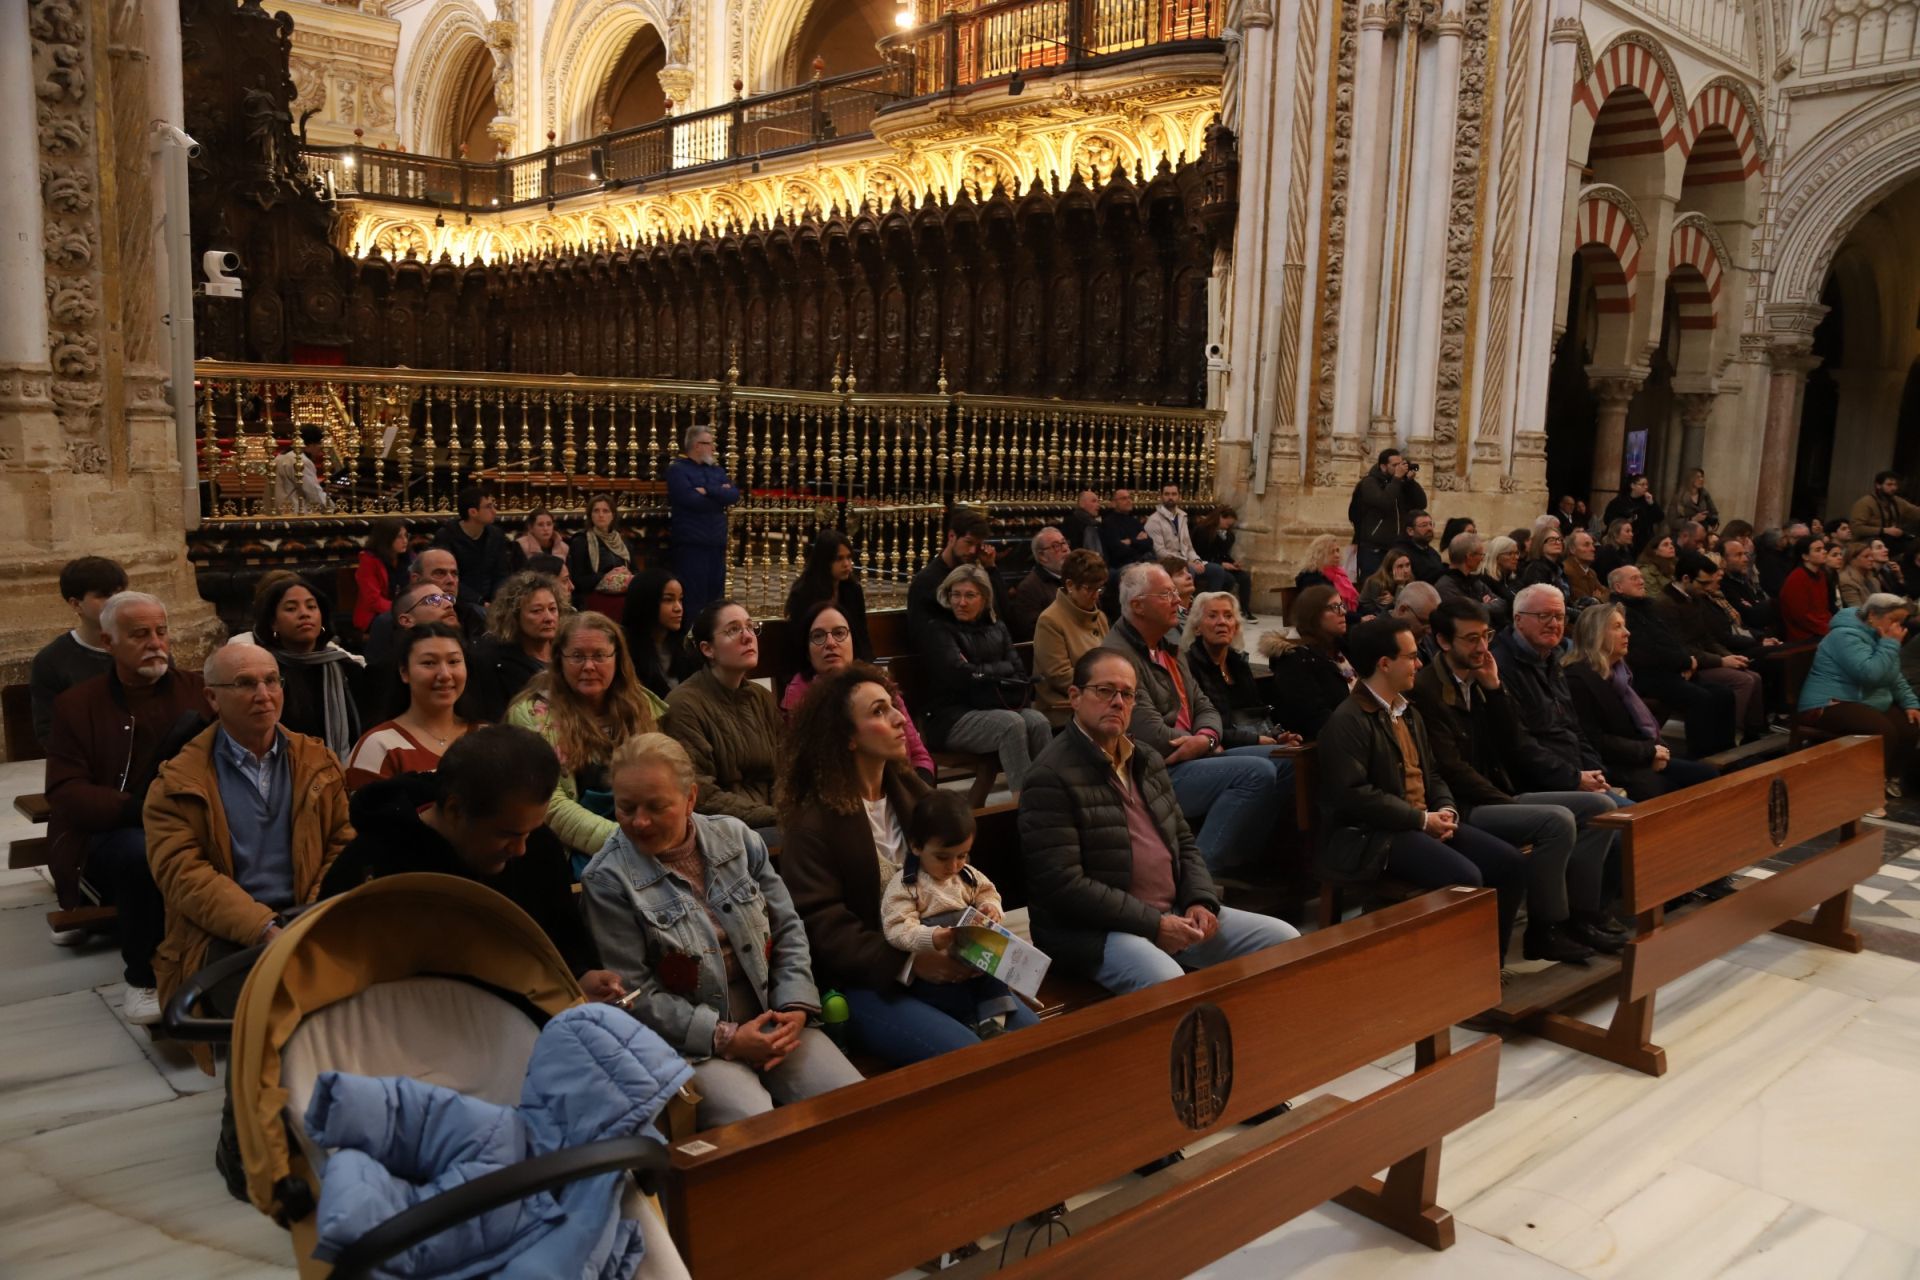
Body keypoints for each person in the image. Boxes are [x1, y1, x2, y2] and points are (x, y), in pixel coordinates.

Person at [144, 643, 352, 1191]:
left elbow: (342, 844)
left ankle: (338, 1127)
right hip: (222, 935)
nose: (263, 694)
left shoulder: (316, 760)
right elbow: (184, 876)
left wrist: (312, 914)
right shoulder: (177, 781)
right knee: (265, 1011)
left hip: (309, 917)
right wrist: (263, 927)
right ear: (212, 698)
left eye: (271, 680)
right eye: (245, 684)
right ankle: (241, 1144)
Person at [583, 733, 863, 1125]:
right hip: (690, 1044)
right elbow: (636, 994)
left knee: (854, 1103)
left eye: (656, 807)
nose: (639, 821)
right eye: (625, 808)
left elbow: (787, 928)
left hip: (772, 1015)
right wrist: (726, 1037)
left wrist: (794, 1006)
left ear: (690, 799)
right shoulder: (608, 879)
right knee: (754, 1124)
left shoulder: (737, 838)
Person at [779, 664, 1040, 1065]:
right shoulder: (813, 822)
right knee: (970, 1059)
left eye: (893, 706)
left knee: (1035, 1040)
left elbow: (957, 876)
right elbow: (824, 929)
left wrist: (980, 933)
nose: (900, 718)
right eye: (879, 711)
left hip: (944, 962)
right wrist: (911, 962)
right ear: (847, 737)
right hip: (869, 983)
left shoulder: (913, 794)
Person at [1019, 648, 1300, 995]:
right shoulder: (1050, 776)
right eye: (1105, 691)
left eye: (1127, 694)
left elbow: (1183, 842)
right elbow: (1064, 885)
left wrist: (1200, 900)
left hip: (1173, 911)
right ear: (1075, 697)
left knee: (1285, 941)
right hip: (1095, 931)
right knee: (1168, 981)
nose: (1117, 702)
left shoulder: (1146, 759)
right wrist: (1155, 925)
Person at [321, 726, 620, 997]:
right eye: (507, 835)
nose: (520, 849)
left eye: (530, 832)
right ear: (455, 810)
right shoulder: (374, 868)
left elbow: (564, 941)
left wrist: (582, 977)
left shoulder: (538, 846)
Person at [1410, 601, 1624, 960]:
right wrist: (1505, 800)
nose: (1482, 647)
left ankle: (1583, 916)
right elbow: (1450, 768)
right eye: (1471, 639)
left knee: (1602, 806)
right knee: (1556, 821)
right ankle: (1545, 930)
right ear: (1443, 642)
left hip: (1497, 791)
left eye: (1486, 636)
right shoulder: (1427, 690)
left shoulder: (1481, 678)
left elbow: (1514, 742)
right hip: (1466, 803)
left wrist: (1495, 689)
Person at [1316, 617, 1527, 956]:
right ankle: (1457, 974)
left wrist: (1446, 808)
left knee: (1510, 863)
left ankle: (1489, 967)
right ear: (1385, 664)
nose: (1418, 664)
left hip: (1419, 822)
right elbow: (1354, 795)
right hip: (1374, 836)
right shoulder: (1348, 720)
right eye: (1412, 657)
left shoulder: (1408, 712)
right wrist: (1420, 820)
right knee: (1466, 878)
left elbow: (1432, 774)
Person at [43, 593, 205, 1005]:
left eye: (161, 632)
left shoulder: (198, 691)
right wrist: (134, 809)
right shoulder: (77, 705)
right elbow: (65, 789)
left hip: (190, 814)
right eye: (139, 635)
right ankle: (143, 979)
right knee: (143, 853)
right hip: (113, 826)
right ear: (108, 642)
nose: (155, 643)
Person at [1102, 563, 1290, 873]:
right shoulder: (1118, 658)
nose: (1178, 600)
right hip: (1154, 772)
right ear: (1138, 605)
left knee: (1288, 760)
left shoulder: (1168, 648)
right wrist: (1205, 743)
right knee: (1256, 773)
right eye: (1167, 594)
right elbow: (1152, 734)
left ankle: (1245, 863)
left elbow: (1205, 706)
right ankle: (1196, 875)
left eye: (1175, 593)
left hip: (1194, 754)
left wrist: (1207, 739)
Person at [506, 611, 665, 871]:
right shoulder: (532, 715)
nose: (589, 666)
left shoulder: (641, 705)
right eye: (577, 656)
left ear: (617, 658)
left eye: (600, 656)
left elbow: (665, 781)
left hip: (644, 835)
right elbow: (549, 804)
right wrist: (626, 842)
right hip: (574, 852)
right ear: (559, 659)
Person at [880, 791, 1022, 1037]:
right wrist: (932, 937)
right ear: (916, 846)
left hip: (974, 951)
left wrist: (990, 909)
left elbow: (988, 893)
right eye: (942, 857)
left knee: (994, 979)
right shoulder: (906, 885)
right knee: (945, 993)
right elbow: (896, 928)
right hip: (938, 957)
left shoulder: (967, 875)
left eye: (962, 856)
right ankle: (968, 1024)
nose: (954, 866)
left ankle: (993, 1023)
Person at [1563, 603, 1719, 800]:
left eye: (1624, 626)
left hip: (1637, 756)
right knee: (1688, 788)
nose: (1627, 633)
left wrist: (1652, 752)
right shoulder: (1578, 679)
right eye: (1617, 627)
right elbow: (1594, 739)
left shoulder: (1620, 673)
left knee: (1708, 776)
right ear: (1596, 634)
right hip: (1612, 765)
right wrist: (1649, 753)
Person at [920, 564, 1052, 796]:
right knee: (1011, 724)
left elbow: (1019, 674)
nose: (961, 602)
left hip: (994, 705)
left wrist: (982, 673)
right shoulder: (939, 630)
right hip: (950, 717)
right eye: (956, 595)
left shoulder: (997, 627)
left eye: (970, 595)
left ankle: (1051, 795)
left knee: (1038, 721)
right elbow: (958, 676)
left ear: (984, 598)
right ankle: (1024, 802)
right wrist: (1000, 670)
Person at [781, 600, 936, 782]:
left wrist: (920, 790)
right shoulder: (800, 697)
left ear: (853, 641)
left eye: (839, 633)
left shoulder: (879, 684)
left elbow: (919, 756)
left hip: (903, 786)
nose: (830, 643)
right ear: (807, 650)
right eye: (818, 636)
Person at [662, 601, 783, 831]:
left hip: (776, 822)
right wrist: (775, 817)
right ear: (708, 649)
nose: (748, 637)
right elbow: (702, 794)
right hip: (720, 829)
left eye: (750, 627)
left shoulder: (761, 697)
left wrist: (788, 813)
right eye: (733, 630)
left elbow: (786, 770)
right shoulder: (683, 705)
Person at [1491, 584, 1617, 797]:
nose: (1553, 624)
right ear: (1518, 620)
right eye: (1543, 616)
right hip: (1540, 786)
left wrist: (1596, 771)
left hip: (1576, 776)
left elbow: (1574, 728)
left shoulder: (1553, 659)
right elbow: (1520, 745)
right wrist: (1575, 779)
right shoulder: (1501, 667)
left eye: (1559, 617)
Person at [1798, 593, 1920, 811]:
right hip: (1829, 702)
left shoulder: (1879, 634)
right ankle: (1864, 794)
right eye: (1893, 620)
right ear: (1872, 615)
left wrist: (1910, 703)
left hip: (1864, 699)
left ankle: (1887, 777)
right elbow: (1869, 674)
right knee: (1882, 731)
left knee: (1909, 725)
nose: (1897, 627)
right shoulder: (1844, 636)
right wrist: (1890, 645)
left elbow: (1894, 675)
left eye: (1901, 622)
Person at [1610, 563, 1737, 757]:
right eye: (1634, 578)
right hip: (1648, 675)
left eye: (1641, 577)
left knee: (1724, 694)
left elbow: (1671, 639)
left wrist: (1687, 660)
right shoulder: (1621, 613)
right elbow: (1645, 652)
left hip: (1671, 669)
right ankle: (1703, 756)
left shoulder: (1648, 606)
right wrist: (1684, 662)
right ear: (1619, 587)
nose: (1641, 581)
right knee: (1700, 699)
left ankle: (1726, 752)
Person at [343, 623, 477, 790]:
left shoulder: (487, 736)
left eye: (453, 661)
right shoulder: (379, 747)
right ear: (404, 672)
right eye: (429, 663)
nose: (445, 674)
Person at [250, 575, 366, 760]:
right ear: (273, 623)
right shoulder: (263, 673)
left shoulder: (348, 669)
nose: (304, 614)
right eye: (291, 608)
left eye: (311, 607)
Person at [1657, 553, 1766, 743]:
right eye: (1703, 583)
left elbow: (1707, 637)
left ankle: (1753, 734)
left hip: (1702, 657)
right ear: (1686, 578)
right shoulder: (1666, 604)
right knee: (1744, 680)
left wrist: (1729, 656)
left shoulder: (1694, 597)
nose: (1708, 588)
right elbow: (1680, 647)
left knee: (1754, 676)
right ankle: (1731, 736)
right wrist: (1722, 661)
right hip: (1686, 664)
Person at [29, 555, 126, 748]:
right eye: (103, 595)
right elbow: (49, 731)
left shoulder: (148, 645)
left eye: (119, 593)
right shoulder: (51, 661)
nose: (116, 602)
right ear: (75, 604)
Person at [1183, 592, 1292, 748]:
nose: (1222, 622)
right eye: (1212, 616)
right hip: (1217, 746)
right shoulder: (1189, 666)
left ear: (1235, 626)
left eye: (1228, 616)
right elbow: (1200, 727)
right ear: (1197, 628)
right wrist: (1255, 740)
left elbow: (1255, 714)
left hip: (1250, 740)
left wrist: (1277, 736)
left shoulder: (1238, 663)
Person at [1259, 584, 1354, 740]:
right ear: (1313, 615)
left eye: (1342, 605)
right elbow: (1314, 717)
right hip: (1329, 740)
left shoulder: (1342, 648)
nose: (1343, 612)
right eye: (1334, 607)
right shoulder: (1294, 659)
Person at [666, 425, 742, 616]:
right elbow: (690, 499)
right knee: (693, 599)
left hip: (716, 541)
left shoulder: (716, 470)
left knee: (716, 599)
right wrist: (719, 494)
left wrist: (707, 490)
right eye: (709, 444)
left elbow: (733, 495)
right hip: (692, 543)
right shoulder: (678, 470)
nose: (714, 449)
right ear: (697, 446)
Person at [467, 571, 561, 722]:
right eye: (537, 611)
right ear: (514, 617)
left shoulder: (567, 653)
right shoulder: (496, 663)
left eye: (552, 609)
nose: (549, 618)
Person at [1033, 548, 1111, 728]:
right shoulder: (1050, 620)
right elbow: (1059, 676)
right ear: (1070, 585)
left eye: (1099, 588)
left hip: (1098, 699)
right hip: (1065, 707)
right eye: (1089, 589)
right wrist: (1104, 685)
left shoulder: (1100, 617)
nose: (1096, 595)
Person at [907, 507, 997, 645]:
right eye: (968, 542)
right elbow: (920, 633)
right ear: (951, 536)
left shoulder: (976, 574)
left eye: (978, 545)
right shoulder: (926, 581)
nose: (973, 551)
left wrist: (991, 568)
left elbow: (1000, 617)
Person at [782, 529, 873, 661]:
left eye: (849, 557)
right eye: (839, 559)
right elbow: (800, 641)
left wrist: (867, 665)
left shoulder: (853, 590)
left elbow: (862, 636)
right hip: (815, 661)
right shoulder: (804, 593)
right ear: (824, 561)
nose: (847, 564)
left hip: (849, 662)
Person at [1348, 448, 1428, 579]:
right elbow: (1384, 502)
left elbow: (1421, 503)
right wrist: (1397, 479)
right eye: (1394, 465)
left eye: (1400, 464)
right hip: (1374, 549)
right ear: (1383, 467)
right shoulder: (1369, 483)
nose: (1399, 468)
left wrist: (1410, 483)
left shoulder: (1399, 483)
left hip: (1397, 548)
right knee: (1374, 584)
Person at [432, 486, 512, 612]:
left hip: (491, 600)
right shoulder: (447, 536)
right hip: (458, 599)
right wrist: (480, 601)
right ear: (473, 512)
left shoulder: (496, 535)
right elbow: (447, 579)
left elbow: (501, 574)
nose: (494, 511)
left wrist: (497, 601)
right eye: (488, 507)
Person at [622, 567, 698, 698]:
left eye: (680, 599)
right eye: (668, 600)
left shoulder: (686, 648)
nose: (678, 608)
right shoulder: (624, 651)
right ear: (646, 602)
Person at [1145, 484, 1229, 593]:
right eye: (1167, 494)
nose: (1170, 497)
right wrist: (1187, 563)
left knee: (1217, 571)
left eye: (1174, 494)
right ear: (1161, 496)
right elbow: (1160, 552)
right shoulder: (1154, 520)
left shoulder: (1182, 516)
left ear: (1179, 496)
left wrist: (1197, 560)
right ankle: (1185, 603)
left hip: (1186, 561)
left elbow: (1188, 546)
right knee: (1189, 571)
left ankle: (1208, 601)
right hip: (1167, 563)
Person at [364, 578, 461, 671]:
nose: (449, 604)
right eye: (433, 600)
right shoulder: (389, 673)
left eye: (448, 598)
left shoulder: (468, 655)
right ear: (406, 620)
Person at [1008, 525, 1071, 643]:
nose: (1065, 549)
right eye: (1056, 546)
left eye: (1064, 543)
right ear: (1042, 556)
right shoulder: (1029, 588)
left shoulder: (1077, 577)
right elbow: (1034, 631)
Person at [567, 493, 636, 600]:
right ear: (590, 515)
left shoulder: (623, 542)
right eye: (596, 511)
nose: (601, 515)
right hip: (594, 597)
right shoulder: (581, 541)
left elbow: (636, 571)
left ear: (613, 515)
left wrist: (628, 574)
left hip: (624, 596)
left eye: (605, 511)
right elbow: (577, 580)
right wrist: (606, 576)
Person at [1193, 503, 1255, 619]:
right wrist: (1221, 564)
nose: (1228, 526)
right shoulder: (1203, 531)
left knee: (1244, 577)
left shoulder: (1229, 535)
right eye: (1227, 523)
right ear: (1219, 517)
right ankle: (1214, 607)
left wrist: (1233, 563)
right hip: (1205, 562)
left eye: (1230, 524)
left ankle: (1245, 609)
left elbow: (1224, 554)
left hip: (1221, 563)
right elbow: (1200, 553)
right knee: (1228, 578)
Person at [352, 517, 410, 636]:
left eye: (406, 535)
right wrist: (402, 610)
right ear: (386, 538)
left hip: (404, 611)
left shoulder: (408, 558)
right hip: (375, 615)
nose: (405, 540)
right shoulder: (369, 560)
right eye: (399, 537)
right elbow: (373, 601)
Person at [1436, 533, 1508, 623]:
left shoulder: (1474, 581)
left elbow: (1501, 604)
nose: (1482, 559)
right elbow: (1466, 614)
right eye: (1481, 554)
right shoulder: (1445, 586)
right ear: (1469, 556)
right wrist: (1484, 604)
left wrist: (1477, 606)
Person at [1779, 535, 1836, 641]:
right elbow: (1801, 617)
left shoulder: (1821, 575)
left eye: (1823, 548)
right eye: (1818, 550)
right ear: (1805, 556)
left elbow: (1823, 609)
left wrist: (1833, 625)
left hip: (1822, 628)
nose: (1824, 552)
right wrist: (1828, 629)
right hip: (1804, 635)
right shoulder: (1797, 578)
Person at [1850, 470, 1920, 553]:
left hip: (1893, 539)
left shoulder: (1897, 501)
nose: (1894, 488)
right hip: (1869, 541)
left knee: (1915, 543)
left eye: (1895, 485)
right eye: (1889, 484)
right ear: (1878, 485)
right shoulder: (1865, 503)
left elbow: (1916, 513)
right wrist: (1884, 530)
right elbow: (1856, 528)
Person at [272, 425, 333, 514]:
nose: (321, 449)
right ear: (310, 444)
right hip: (295, 513)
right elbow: (313, 492)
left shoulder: (280, 457)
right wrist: (332, 508)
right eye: (319, 443)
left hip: (276, 510)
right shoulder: (301, 460)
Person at [1720, 535, 1775, 634]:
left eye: (1745, 554)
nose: (1745, 559)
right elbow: (1752, 617)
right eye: (1738, 555)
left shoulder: (1742, 579)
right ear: (1722, 560)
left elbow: (1759, 605)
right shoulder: (1722, 585)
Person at [1294, 533, 1359, 614]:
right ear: (1319, 555)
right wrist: (1359, 618)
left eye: (1337, 550)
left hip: (1345, 617)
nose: (1337, 555)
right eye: (1331, 552)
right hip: (1325, 619)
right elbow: (1330, 607)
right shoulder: (1312, 578)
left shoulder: (1340, 575)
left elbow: (1356, 601)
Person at [1099, 487, 1159, 574]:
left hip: (1141, 563)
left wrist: (1130, 542)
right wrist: (1138, 542)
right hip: (1122, 567)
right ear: (1114, 503)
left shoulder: (1134, 521)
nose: (1128, 501)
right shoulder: (1108, 523)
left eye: (1129, 498)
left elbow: (1149, 543)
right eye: (1124, 498)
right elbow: (1118, 551)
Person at [1602, 473, 1664, 553]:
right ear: (1632, 486)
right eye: (1642, 484)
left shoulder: (1648, 500)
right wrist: (1626, 521)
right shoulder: (1619, 502)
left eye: (1647, 485)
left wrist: (1652, 504)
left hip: (1643, 540)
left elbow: (1659, 517)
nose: (1646, 487)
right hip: (1624, 539)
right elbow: (1607, 519)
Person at [1517, 526, 1572, 601]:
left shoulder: (1559, 568)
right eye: (1551, 540)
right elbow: (1542, 601)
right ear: (1540, 543)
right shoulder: (1536, 569)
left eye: (1559, 539)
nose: (1558, 542)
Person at [1358, 550, 1414, 618]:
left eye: (1407, 565)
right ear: (1390, 570)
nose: (1406, 570)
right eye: (1400, 566)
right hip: (1371, 618)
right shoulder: (1378, 583)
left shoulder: (1410, 580)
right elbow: (1390, 614)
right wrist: (1400, 585)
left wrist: (1393, 600)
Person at [1564, 529, 1610, 606]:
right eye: (1586, 545)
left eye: (1592, 544)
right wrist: (1597, 599)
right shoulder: (1566, 571)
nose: (1593, 549)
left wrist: (1596, 599)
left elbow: (1607, 594)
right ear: (1572, 549)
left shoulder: (1591, 572)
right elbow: (1581, 601)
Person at [1401, 510, 1445, 583]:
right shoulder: (1401, 554)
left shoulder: (1434, 554)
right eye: (1424, 525)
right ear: (1410, 531)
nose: (1430, 528)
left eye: (1431, 524)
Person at [1837, 539, 1882, 608]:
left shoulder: (1873, 579)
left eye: (1872, 556)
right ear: (1852, 560)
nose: (1871, 559)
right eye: (1866, 556)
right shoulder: (1846, 581)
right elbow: (1857, 610)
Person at [1637, 532, 1678, 598]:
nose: (1671, 546)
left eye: (1671, 544)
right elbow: (1653, 597)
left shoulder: (1673, 565)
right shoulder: (1647, 571)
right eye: (1665, 545)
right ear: (1655, 551)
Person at [1063, 488, 1104, 554]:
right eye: (1094, 501)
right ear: (1082, 504)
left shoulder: (1095, 524)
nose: (1098, 505)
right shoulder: (1071, 522)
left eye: (1098, 502)